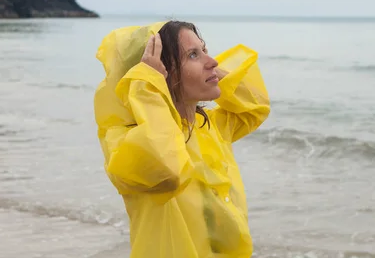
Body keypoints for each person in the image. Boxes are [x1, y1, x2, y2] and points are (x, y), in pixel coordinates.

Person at [93, 20, 270, 258]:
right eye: (193, 55)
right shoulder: (124, 139)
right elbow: (167, 170)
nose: (214, 61)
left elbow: (255, 107)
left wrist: (209, 71)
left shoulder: (208, 126)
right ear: (160, 72)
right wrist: (147, 85)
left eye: (204, 50)